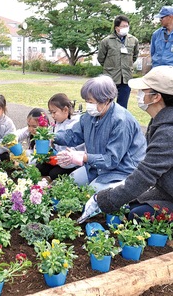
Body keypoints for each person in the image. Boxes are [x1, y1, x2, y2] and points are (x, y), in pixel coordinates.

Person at [78, 65, 173, 224]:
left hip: (168, 191)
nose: (138, 94)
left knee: (137, 215)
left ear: (156, 97)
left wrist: (102, 199)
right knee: (130, 206)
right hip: (166, 190)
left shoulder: (168, 132)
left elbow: (145, 174)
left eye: (143, 90)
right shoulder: (160, 120)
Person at [54, 75, 146, 192]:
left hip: (122, 170)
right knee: (70, 182)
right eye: (86, 101)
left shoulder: (120, 121)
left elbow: (111, 160)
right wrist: (51, 137)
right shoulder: (90, 116)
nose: (88, 105)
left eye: (91, 102)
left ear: (106, 100)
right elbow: (72, 135)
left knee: (94, 192)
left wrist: (84, 157)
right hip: (97, 166)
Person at [97, 15, 139, 109]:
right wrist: (111, 66)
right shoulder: (106, 41)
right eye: (123, 26)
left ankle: (120, 123)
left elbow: (135, 56)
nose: (126, 28)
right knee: (106, 105)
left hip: (126, 78)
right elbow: (101, 58)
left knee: (123, 107)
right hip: (110, 78)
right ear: (116, 28)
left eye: (127, 26)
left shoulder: (133, 40)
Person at [36, 93, 80, 181]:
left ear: (65, 110)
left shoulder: (75, 124)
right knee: (40, 168)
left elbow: (75, 148)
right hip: (57, 158)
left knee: (54, 174)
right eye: (50, 112)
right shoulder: (56, 123)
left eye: (54, 112)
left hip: (70, 162)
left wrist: (58, 157)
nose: (52, 116)